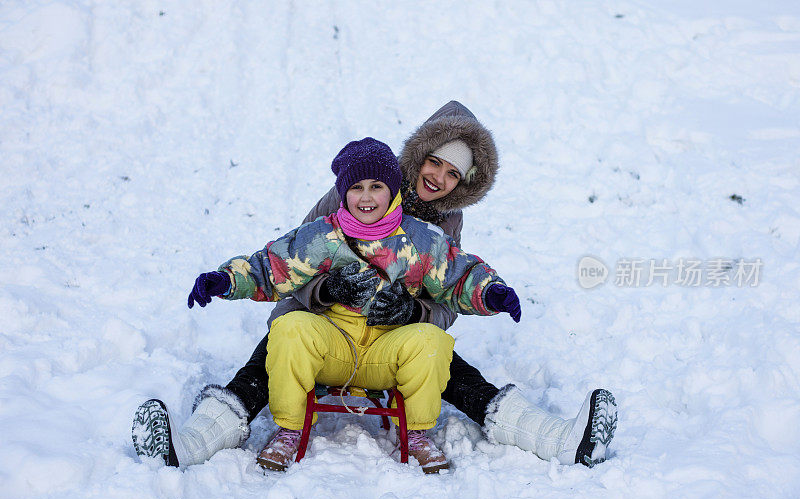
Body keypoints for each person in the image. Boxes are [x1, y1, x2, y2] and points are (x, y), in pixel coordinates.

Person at [132, 101, 617, 470]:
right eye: (435, 163)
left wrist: (416, 312)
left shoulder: (440, 227)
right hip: (320, 324)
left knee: (440, 355)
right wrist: (320, 291)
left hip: (392, 338)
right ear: (418, 154)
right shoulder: (360, 184)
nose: (440, 178)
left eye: (454, 174)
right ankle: (189, 443)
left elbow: (452, 282)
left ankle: (556, 439)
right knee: (273, 355)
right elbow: (284, 265)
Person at [179, 137, 520, 472]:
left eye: (377, 186)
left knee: (432, 342)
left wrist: (491, 293)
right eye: (357, 187)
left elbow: (458, 276)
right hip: (332, 345)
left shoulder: (421, 239)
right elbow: (272, 268)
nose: (367, 197)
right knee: (290, 328)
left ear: (393, 190)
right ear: (343, 193)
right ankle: (289, 429)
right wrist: (225, 280)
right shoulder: (322, 235)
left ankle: (416, 434)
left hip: (387, 350)